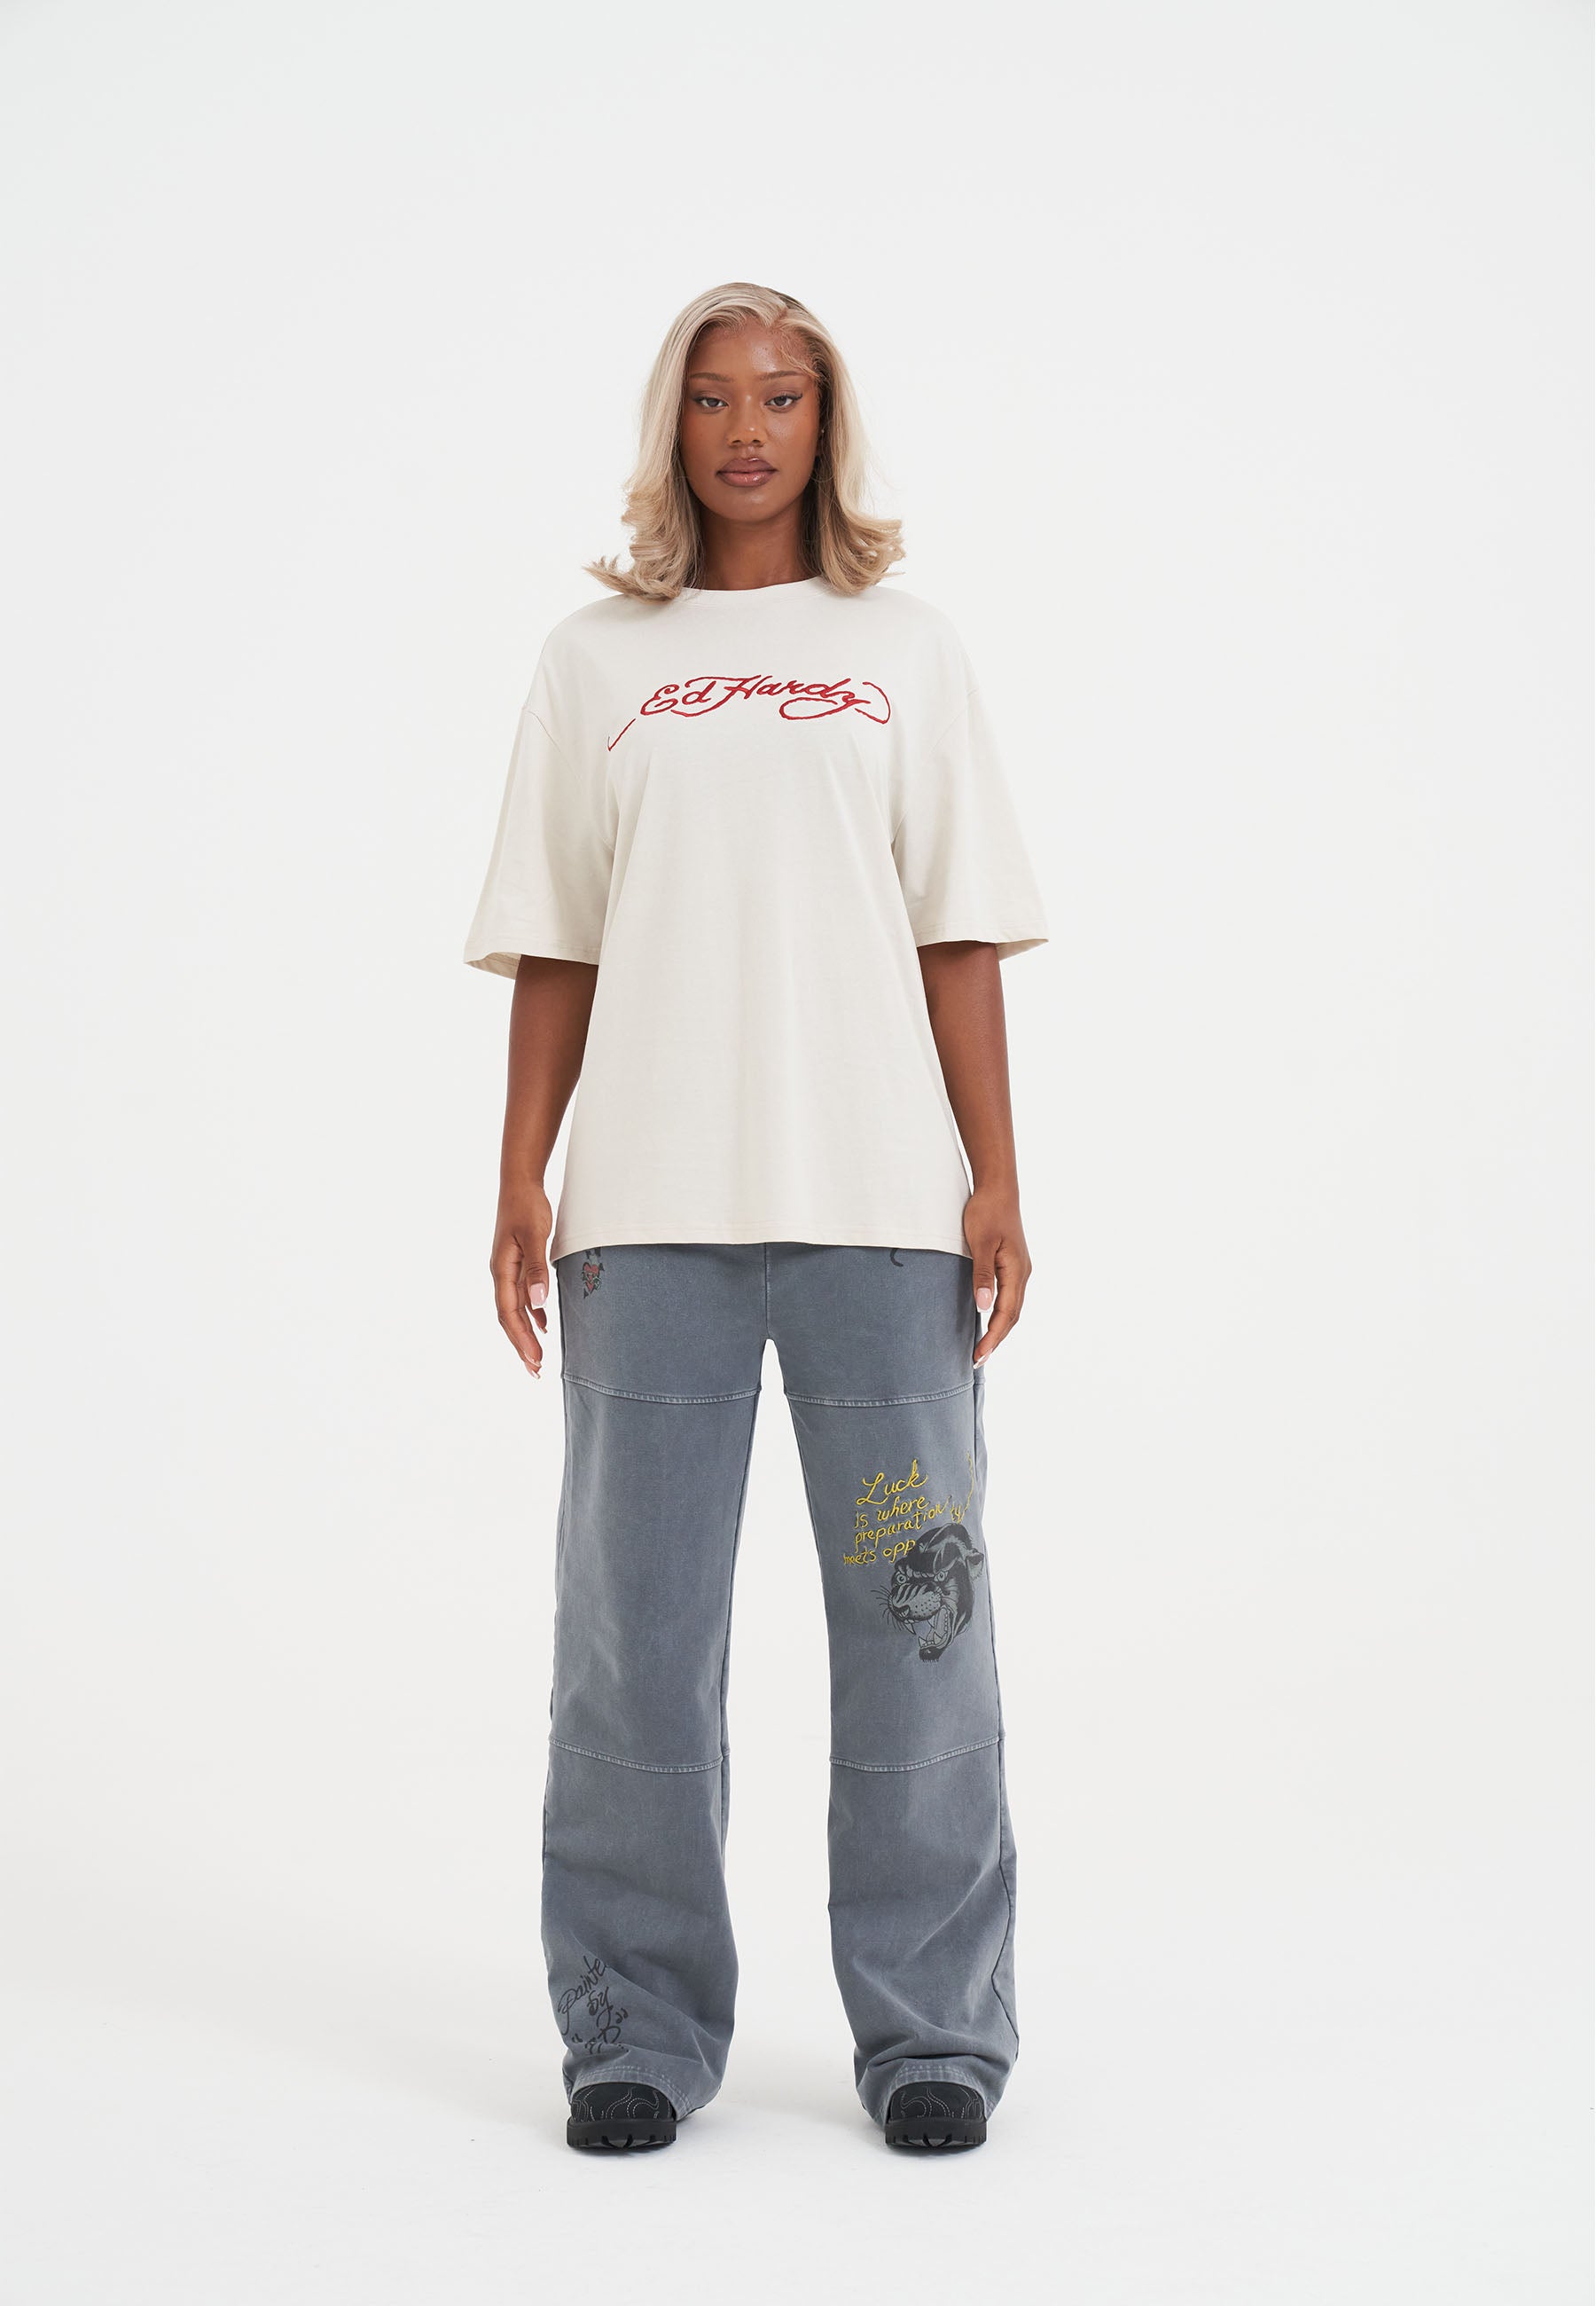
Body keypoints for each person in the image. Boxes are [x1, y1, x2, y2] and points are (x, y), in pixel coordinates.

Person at [463, 281, 1049, 2155]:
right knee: (635, 1643)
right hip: (649, 1223)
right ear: (674, 424)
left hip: (880, 1219)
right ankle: (632, 2028)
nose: (747, 429)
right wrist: (520, 1172)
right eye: (714, 398)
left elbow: (957, 934)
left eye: (782, 397)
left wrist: (996, 1173)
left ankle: (934, 2031)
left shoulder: (905, 653)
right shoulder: (595, 664)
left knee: (914, 1620)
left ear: (825, 422)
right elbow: (556, 940)